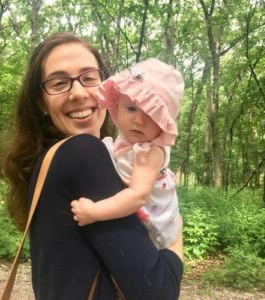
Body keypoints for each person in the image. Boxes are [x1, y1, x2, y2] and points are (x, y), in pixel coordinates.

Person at [1, 32, 183, 299]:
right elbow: (159, 291)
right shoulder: (83, 152)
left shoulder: (49, 163)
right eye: (59, 82)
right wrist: (176, 236)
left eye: (89, 78)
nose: (78, 92)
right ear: (41, 101)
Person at [71, 58, 184, 250]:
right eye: (131, 108)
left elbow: (138, 196)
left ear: (164, 122)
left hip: (152, 230)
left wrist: (94, 212)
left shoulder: (150, 152)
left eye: (151, 114)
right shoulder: (127, 141)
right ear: (116, 106)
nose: (139, 120)